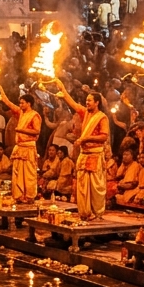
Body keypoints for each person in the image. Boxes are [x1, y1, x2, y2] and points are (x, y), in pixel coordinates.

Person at [55, 78, 111, 220]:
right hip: (84, 154)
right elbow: (73, 104)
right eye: (86, 100)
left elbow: (104, 137)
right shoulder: (85, 113)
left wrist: (85, 139)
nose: (87, 102)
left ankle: (96, 213)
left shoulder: (102, 117)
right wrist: (63, 89)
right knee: (82, 185)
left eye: (90, 100)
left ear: (97, 102)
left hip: (95, 155)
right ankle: (86, 213)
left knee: (95, 187)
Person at [0, 86, 41, 203]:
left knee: (28, 173)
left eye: (22, 103)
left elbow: (36, 131)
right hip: (19, 147)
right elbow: (9, 104)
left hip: (28, 148)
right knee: (17, 173)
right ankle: (19, 196)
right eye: (20, 103)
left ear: (29, 103)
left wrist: (21, 130)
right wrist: (0, 89)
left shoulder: (35, 115)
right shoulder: (21, 113)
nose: (20, 105)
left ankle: (29, 196)